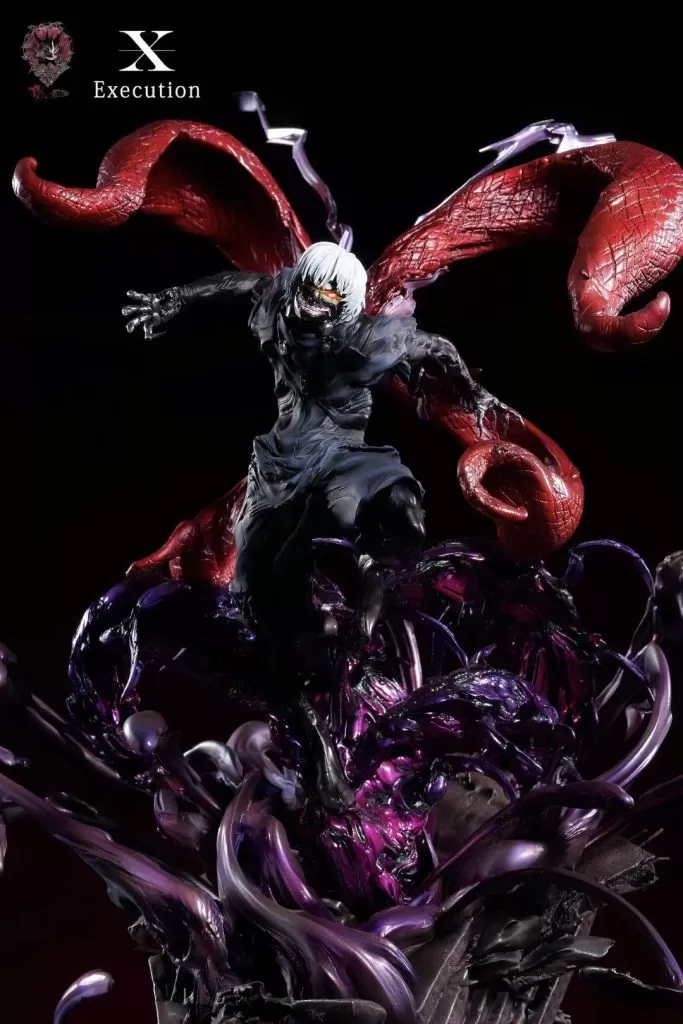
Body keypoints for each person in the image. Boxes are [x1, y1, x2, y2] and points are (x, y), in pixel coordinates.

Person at [123, 241, 517, 809]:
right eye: (313, 285)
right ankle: (316, 746)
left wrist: (473, 394)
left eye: (332, 294)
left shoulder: (370, 342)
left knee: (388, 499)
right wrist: (176, 297)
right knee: (258, 608)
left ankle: (378, 573)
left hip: (341, 454)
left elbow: (435, 346)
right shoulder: (279, 300)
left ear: (345, 307)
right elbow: (238, 283)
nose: (317, 299)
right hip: (278, 469)